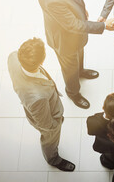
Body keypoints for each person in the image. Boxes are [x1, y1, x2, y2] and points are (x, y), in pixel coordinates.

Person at [39, 0, 114, 109]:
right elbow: (73, 25)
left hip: (75, 34)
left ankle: (81, 70)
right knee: (69, 67)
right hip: (64, 39)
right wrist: (105, 26)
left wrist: (81, 11)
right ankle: (73, 92)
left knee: (80, 51)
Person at [7, 38, 75, 171]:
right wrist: (56, 124)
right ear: (42, 61)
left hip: (34, 103)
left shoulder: (13, 57)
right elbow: (45, 124)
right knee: (49, 140)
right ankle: (53, 159)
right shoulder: (37, 98)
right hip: (47, 117)